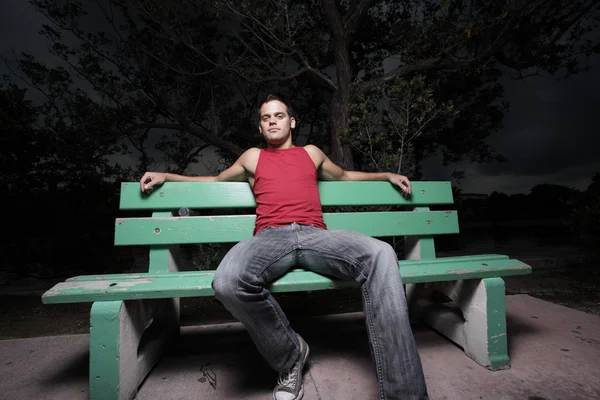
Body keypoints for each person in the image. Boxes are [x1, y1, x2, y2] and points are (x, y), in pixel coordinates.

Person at [140, 95, 429, 400]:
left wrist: (385, 175)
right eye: (266, 118)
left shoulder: (311, 153)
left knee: (382, 253)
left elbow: (343, 175)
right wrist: (166, 176)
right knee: (226, 281)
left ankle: (405, 395)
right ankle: (292, 355)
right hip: (269, 238)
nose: (273, 121)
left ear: (292, 122)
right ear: (261, 127)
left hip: (315, 235)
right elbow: (213, 179)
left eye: (279, 115)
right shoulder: (252, 157)